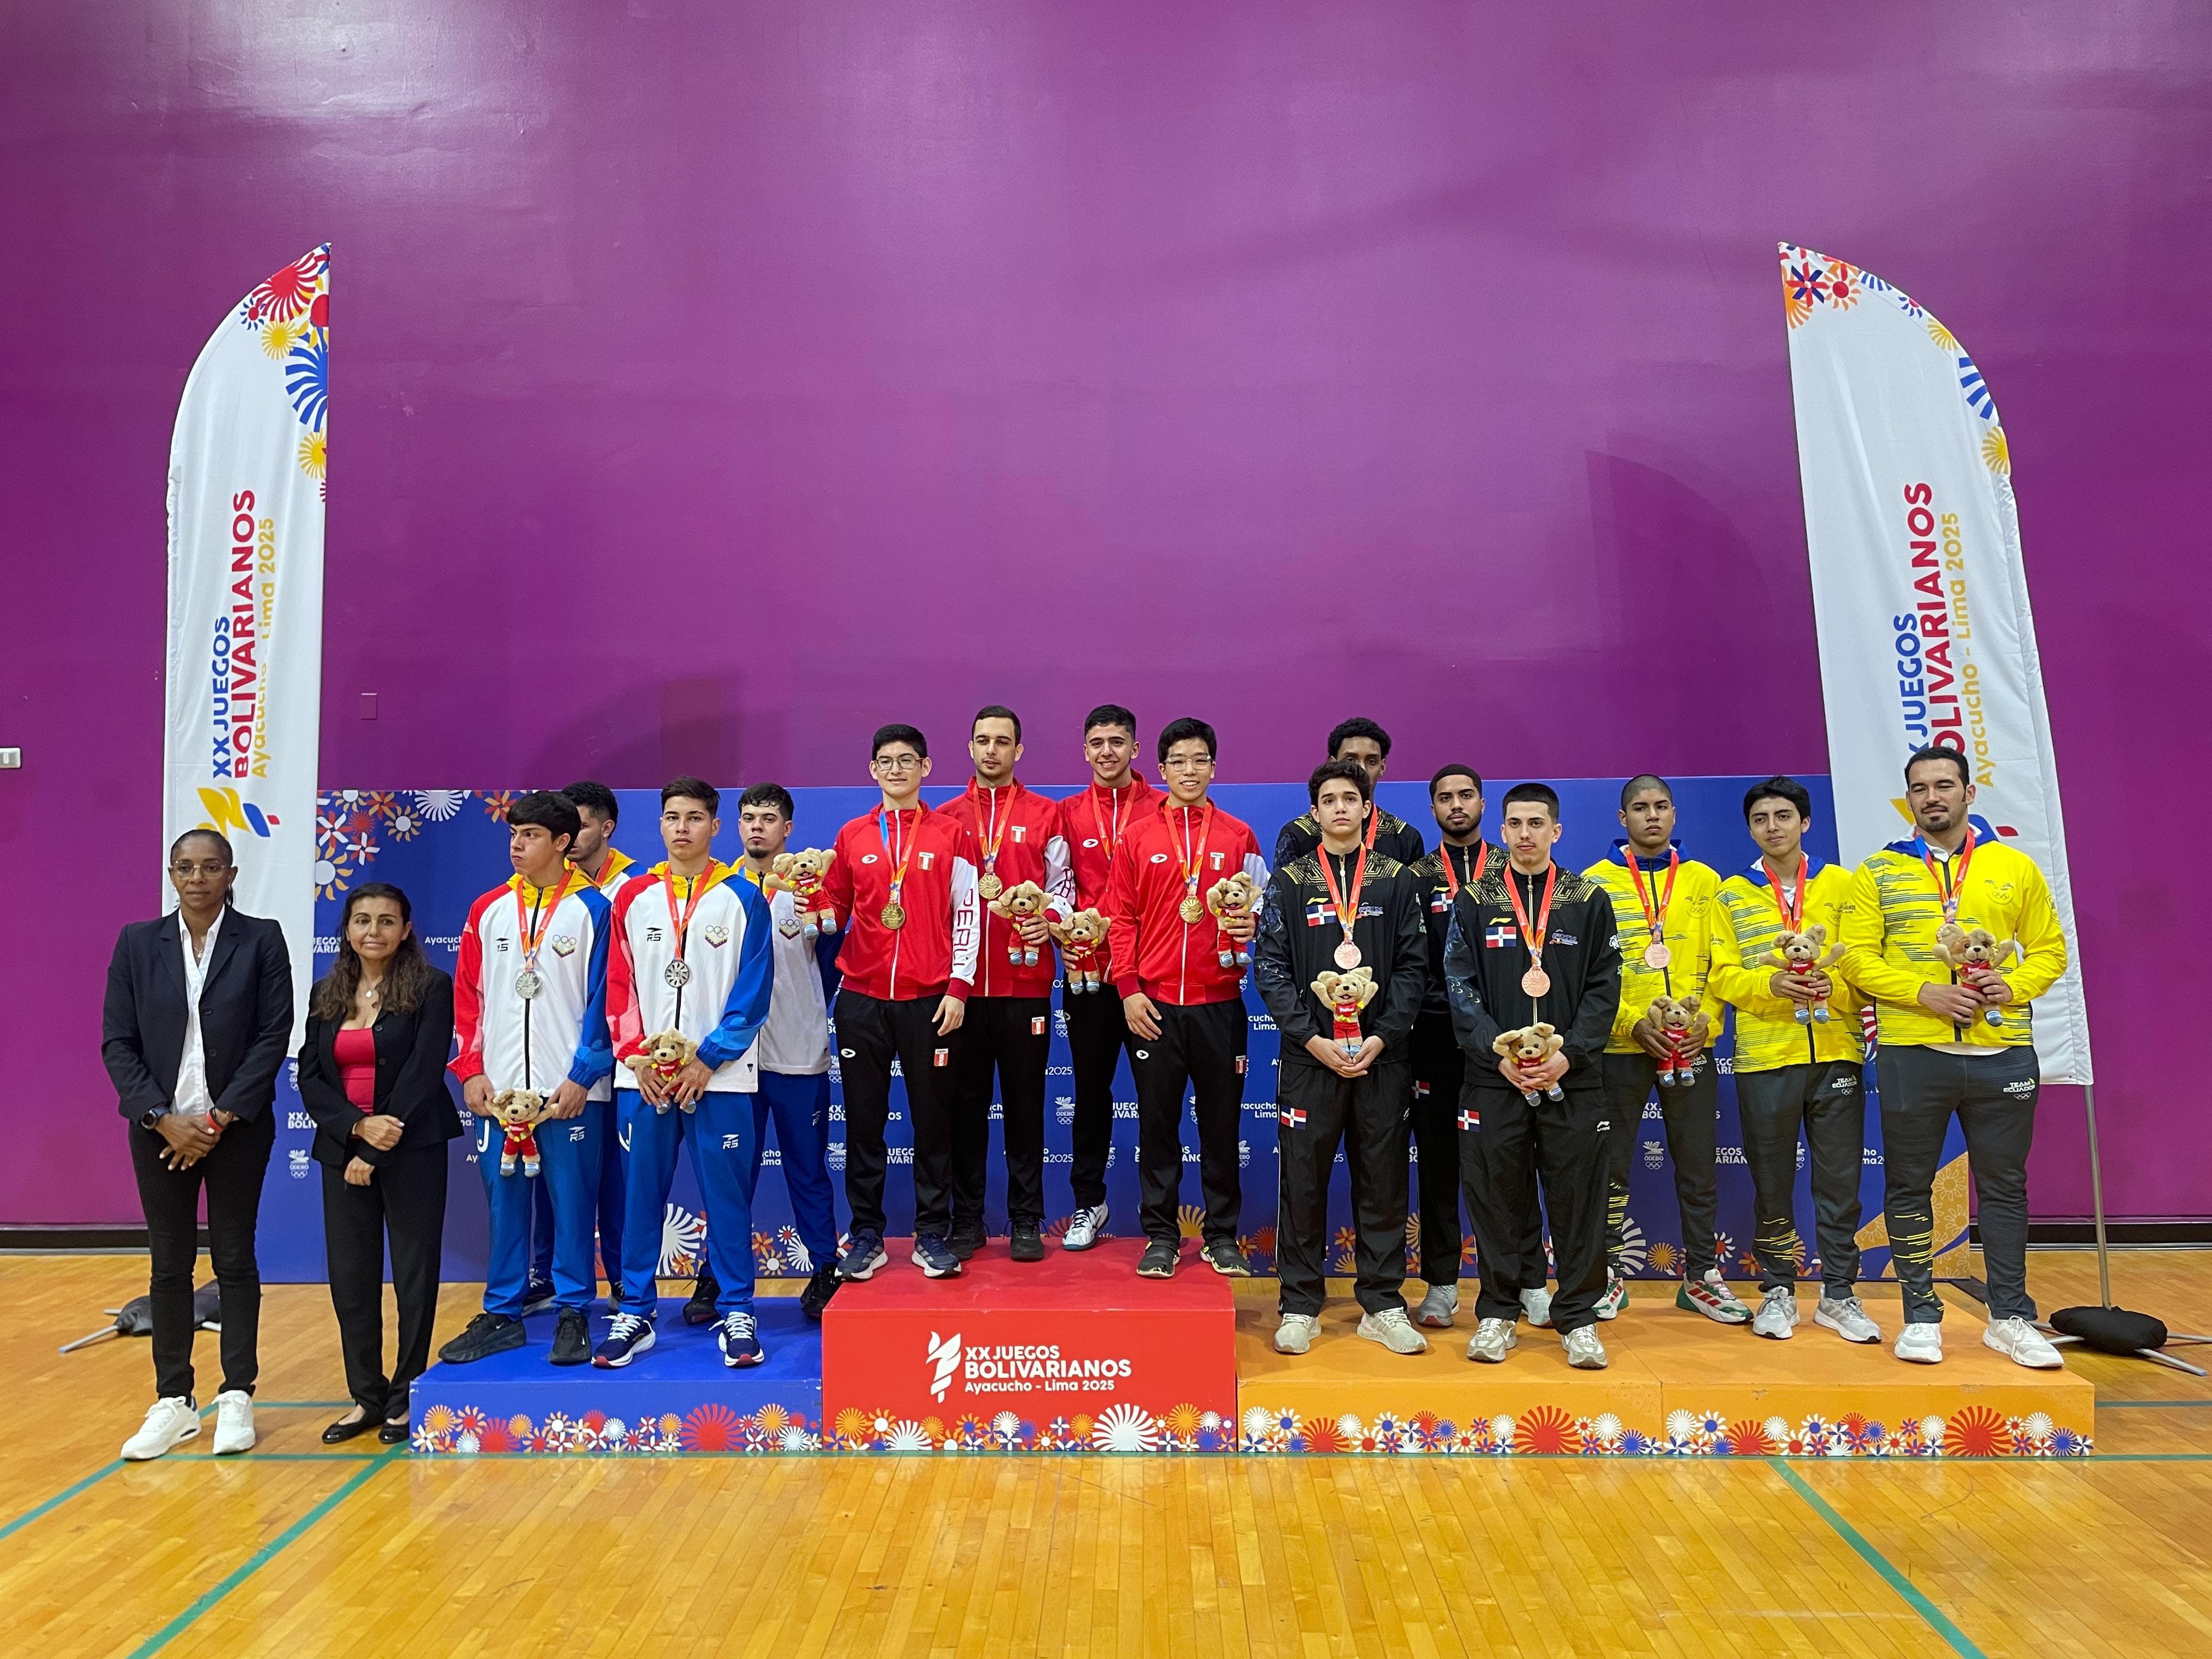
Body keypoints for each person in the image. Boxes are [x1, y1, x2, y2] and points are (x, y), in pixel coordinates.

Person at [1839, 746, 2070, 1369]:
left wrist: (2012, 986)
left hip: (2003, 1053)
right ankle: (1920, 1315)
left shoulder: (2013, 866)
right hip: (1915, 1053)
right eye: (1919, 788)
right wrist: (1923, 992)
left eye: (1944, 785)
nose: (1932, 797)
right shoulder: (1878, 873)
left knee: (2005, 1186)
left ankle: (2010, 1317)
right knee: (1909, 1184)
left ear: (1969, 793)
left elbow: (2050, 950)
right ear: (1908, 799)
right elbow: (1855, 958)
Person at [103, 829, 295, 1461]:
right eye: (185, 867)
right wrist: (161, 1117)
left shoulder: (261, 939)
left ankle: (236, 1393)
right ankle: (174, 1401)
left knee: (234, 1258)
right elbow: (118, 1042)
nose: (197, 878)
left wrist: (218, 1119)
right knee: (169, 1264)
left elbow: (273, 1035)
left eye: (211, 867)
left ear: (230, 874)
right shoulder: (138, 943)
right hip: (160, 1132)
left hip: (235, 1129)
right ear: (171, 874)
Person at [595, 778, 776, 1369]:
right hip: (644, 1081)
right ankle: (635, 1311)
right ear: (660, 824)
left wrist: (709, 1058)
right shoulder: (633, 897)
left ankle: (737, 1309)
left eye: (695, 817)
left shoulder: (743, 897)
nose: (682, 828)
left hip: (718, 1080)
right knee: (639, 1199)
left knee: (727, 1200)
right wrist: (635, 1056)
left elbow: (752, 992)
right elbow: (615, 986)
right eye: (672, 817)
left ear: (715, 827)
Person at [1442, 783, 1622, 1369]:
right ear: (1502, 830)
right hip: (1495, 1079)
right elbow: (1459, 985)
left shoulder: (1587, 898)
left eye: (1537, 823)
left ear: (1556, 831)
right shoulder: (1474, 900)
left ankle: (1578, 1318)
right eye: (1515, 824)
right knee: (1496, 1200)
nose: (1525, 834)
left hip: (1573, 1080)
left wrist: (1569, 1056)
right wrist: (1498, 1056)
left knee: (1578, 1204)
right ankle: (1498, 1313)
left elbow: (1605, 987)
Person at [1254, 760, 1430, 1355]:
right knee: (1302, 1182)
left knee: (1383, 1182)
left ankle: (1382, 1304)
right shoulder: (1290, 881)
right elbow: (1270, 969)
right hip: (1311, 1060)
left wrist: (1383, 1037)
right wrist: (1313, 1039)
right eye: (1328, 800)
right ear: (1314, 812)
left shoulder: (1397, 879)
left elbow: (1414, 968)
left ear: (1366, 808)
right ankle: (1300, 1304)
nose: (1339, 808)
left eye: (1350, 798)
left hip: (1382, 1059)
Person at [438, 791, 616, 1367]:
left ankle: (573, 1311)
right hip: (501, 1093)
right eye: (514, 834)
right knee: (505, 1202)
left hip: (569, 1093)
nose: (517, 845)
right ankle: (502, 1314)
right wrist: (471, 1071)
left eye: (531, 835)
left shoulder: (594, 910)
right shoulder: (488, 908)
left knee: (573, 1205)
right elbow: (468, 997)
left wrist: (583, 1075)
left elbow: (607, 1001)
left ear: (563, 843)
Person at [1707, 777, 1880, 1345]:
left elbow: (1864, 964)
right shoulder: (1731, 894)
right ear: (1750, 828)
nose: (1773, 827)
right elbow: (1722, 975)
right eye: (1761, 819)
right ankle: (1778, 1288)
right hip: (1765, 1060)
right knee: (1772, 1182)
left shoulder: (1846, 885)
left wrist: (1835, 988)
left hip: (1836, 1053)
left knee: (1840, 1183)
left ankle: (1839, 1293)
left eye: (1783, 816)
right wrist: (1772, 985)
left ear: (1805, 822)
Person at [1105, 716, 1269, 1279]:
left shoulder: (1239, 836)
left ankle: (1222, 1236)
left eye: (1200, 760)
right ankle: (1161, 1236)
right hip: (1153, 1008)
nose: (1189, 770)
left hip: (1219, 1004)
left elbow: (1261, 909)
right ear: (1161, 769)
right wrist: (1128, 990)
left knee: (1221, 1127)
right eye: (1178, 761)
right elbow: (1120, 919)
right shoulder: (1137, 836)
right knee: (1157, 1127)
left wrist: (1251, 924)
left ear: (1214, 768)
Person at [295, 883, 458, 1443]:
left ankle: (405, 1396)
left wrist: (375, 1145)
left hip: (413, 1147)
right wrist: (356, 1130)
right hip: (342, 1151)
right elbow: (310, 1077)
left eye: (387, 921)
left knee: (414, 1274)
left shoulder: (431, 987)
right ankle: (366, 1396)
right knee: (351, 1279)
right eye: (362, 920)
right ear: (347, 930)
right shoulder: (326, 993)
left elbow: (424, 1070)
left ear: (406, 930)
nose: (374, 931)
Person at [820, 724, 979, 1280]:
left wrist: (958, 987)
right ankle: (867, 1233)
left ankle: (931, 1232)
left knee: (934, 1121)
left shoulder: (951, 834)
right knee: (863, 1122)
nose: (896, 769)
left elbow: (968, 913)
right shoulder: (852, 835)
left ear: (925, 767)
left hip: (929, 999)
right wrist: (807, 903)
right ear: (873, 770)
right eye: (886, 761)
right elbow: (835, 911)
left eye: (907, 760)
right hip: (861, 999)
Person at [1582, 775, 1741, 1324]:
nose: (1651, 816)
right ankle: (1606, 1273)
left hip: (1690, 1044)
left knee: (1697, 1165)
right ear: (1622, 818)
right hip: (1620, 1047)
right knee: (1610, 1166)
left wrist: (1708, 1023)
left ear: (1674, 814)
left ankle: (1702, 1277)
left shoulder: (1705, 880)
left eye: (1661, 806)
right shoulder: (1594, 882)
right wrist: (1629, 1024)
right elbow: (1589, 973)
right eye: (1640, 807)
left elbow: (1723, 962)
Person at [1403, 765, 1548, 1331]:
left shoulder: (1512, 871)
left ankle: (1527, 1281)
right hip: (1436, 1040)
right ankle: (1441, 1284)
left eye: (1466, 795)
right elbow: (1408, 962)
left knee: (1513, 1163)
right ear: (1433, 809)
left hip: (1504, 1041)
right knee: (1440, 1163)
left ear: (1484, 804)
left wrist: (1496, 1026)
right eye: (1445, 798)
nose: (1456, 805)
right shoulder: (1415, 877)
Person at [935, 706, 1074, 1263]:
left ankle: (1026, 1221)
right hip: (963, 993)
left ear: (1019, 751)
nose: (991, 750)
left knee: (1025, 1107)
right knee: (963, 1111)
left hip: (1025, 986)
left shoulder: (1046, 814)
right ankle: (967, 1221)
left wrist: (1052, 920)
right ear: (970, 747)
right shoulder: (944, 819)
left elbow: (1064, 887)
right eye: (983, 740)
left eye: (1002, 741)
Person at [728, 782, 843, 1318]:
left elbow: (832, 965)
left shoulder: (811, 889)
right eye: (749, 817)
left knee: (808, 1170)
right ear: (737, 825)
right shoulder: (720, 890)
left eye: (769, 818)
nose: (758, 826)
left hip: (797, 1052)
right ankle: (716, 1276)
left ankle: (825, 1269)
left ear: (788, 828)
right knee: (731, 1176)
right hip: (730, 1061)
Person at [1055, 703, 1163, 1250]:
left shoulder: (1163, 808)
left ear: (1135, 749)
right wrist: (1063, 930)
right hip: (1089, 978)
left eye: (1117, 742)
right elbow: (1056, 888)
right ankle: (1088, 1203)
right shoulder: (1068, 813)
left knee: (1157, 1098)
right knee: (1090, 1092)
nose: (1107, 752)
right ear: (1085, 751)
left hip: (1148, 981)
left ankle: (1159, 1213)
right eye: (1097, 743)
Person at [558, 779, 631, 1312]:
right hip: (559, 1066)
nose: (570, 836)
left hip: (620, 1064)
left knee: (618, 1182)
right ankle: (549, 1280)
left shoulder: (636, 887)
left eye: (581, 825)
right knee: (556, 1186)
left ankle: (626, 1280)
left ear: (607, 828)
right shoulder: (538, 891)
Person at [1272, 716, 1427, 868]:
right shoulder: (1296, 835)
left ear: (1382, 767)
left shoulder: (1405, 838)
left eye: (1371, 762)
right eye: (1350, 760)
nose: (1362, 769)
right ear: (1333, 764)